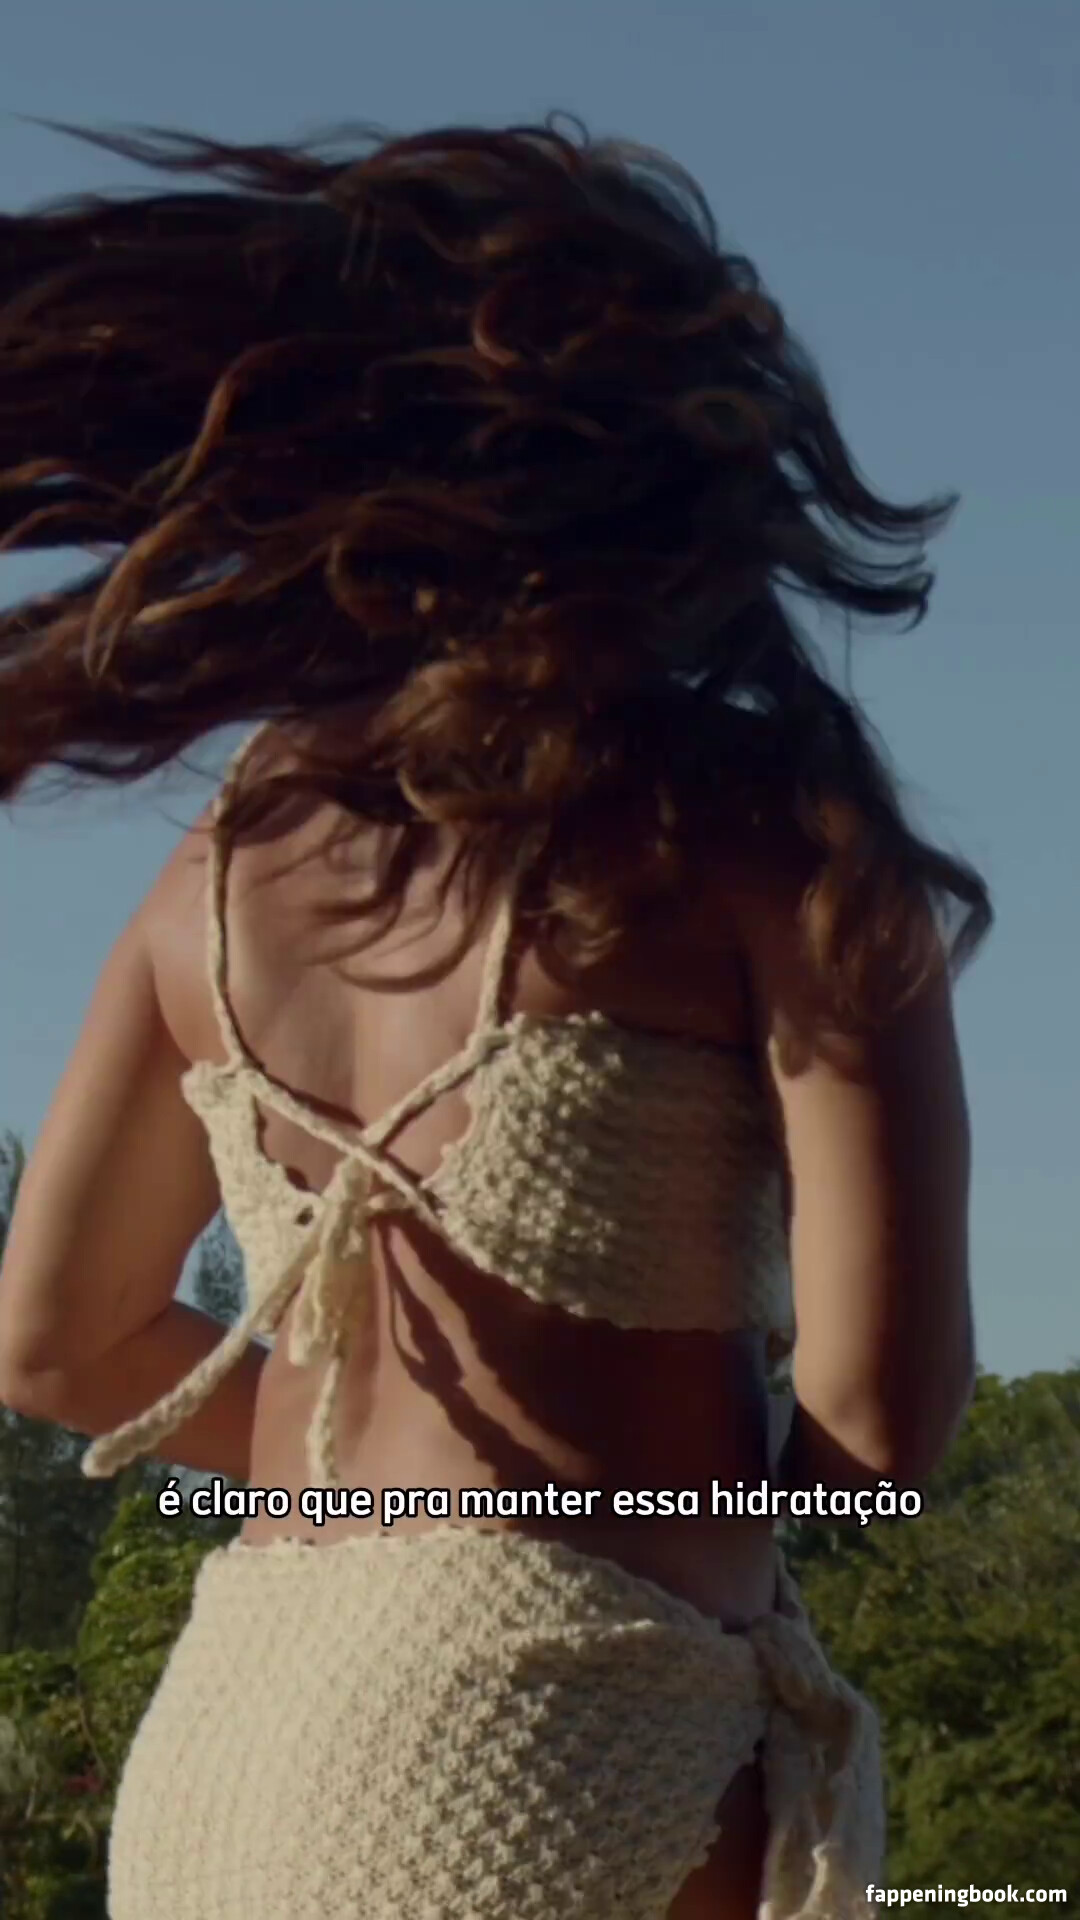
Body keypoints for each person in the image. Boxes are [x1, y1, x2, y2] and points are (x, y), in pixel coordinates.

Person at [0, 113, 989, 1919]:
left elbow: (57, 1348)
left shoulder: (221, 867)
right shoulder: (758, 837)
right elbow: (876, 1406)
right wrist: (643, 1530)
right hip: (558, 1733)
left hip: (235, 1742)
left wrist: (378, 1509)